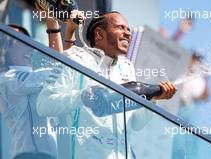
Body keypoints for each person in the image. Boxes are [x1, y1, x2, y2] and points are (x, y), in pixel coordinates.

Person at [37, 11, 177, 159]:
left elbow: (135, 123)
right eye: (120, 27)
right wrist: (82, 96)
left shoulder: (127, 67)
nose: (127, 33)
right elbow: (43, 104)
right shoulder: (74, 58)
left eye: (128, 29)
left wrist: (154, 98)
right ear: (99, 34)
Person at [0, 24, 57, 159]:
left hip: (48, 155)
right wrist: (54, 29)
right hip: (28, 155)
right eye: (19, 39)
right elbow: (58, 73)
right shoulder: (7, 78)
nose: (29, 44)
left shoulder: (31, 76)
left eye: (27, 39)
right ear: (6, 49)